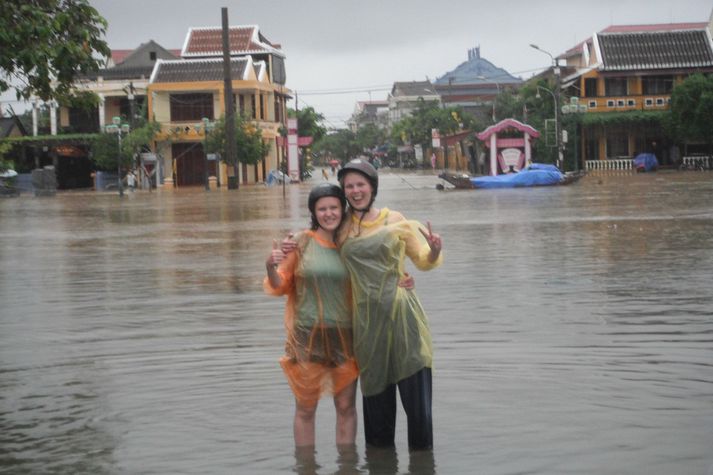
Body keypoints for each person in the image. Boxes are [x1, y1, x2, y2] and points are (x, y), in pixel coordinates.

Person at [336, 158, 443, 450]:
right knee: (377, 410)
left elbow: (422, 260)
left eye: (361, 184)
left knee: (418, 406)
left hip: (403, 317)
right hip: (366, 325)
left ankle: (423, 465)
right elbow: (321, 262)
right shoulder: (341, 226)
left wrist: (434, 251)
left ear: (372, 187)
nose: (356, 191)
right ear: (343, 191)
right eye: (349, 186)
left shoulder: (395, 219)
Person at [264, 183, 358, 447]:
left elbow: (375, 276)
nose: (329, 213)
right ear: (314, 213)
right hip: (306, 337)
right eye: (322, 209)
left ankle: (347, 466)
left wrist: (403, 281)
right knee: (305, 410)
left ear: (343, 209)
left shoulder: (351, 245)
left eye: (334, 207)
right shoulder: (299, 242)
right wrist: (269, 265)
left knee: (346, 407)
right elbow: (279, 285)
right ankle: (306, 467)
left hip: (346, 337)